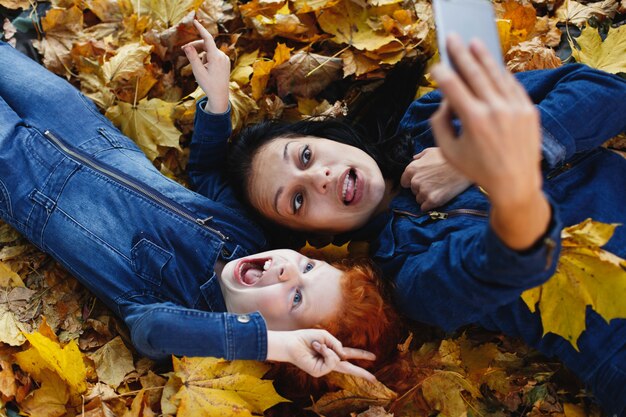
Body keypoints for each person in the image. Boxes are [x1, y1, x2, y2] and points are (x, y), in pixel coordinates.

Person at [226, 35, 626, 414]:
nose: (319, 178)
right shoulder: (408, 275)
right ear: (316, 236)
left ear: (328, 135)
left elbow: (605, 93)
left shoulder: (431, 118)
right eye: (298, 200)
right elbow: (494, 260)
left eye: (306, 155)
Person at [0, 29, 403, 381]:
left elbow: (150, 330)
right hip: (80, 126)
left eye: (296, 298)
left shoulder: (190, 320)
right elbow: (208, 173)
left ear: (278, 339)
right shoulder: (246, 237)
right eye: (310, 267)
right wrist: (216, 102)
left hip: (21, 177)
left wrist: (266, 344)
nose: (287, 267)